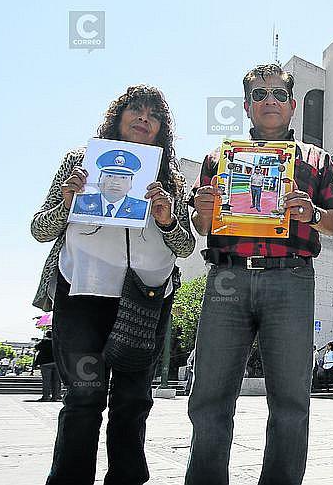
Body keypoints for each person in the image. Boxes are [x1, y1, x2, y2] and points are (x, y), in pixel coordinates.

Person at [186, 63, 333, 485]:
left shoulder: (317, 160)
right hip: (227, 278)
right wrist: (203, 214)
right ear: (247, 106)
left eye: (278, 93)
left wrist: (314, 214)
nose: (270, 101)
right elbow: (203, 228)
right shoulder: (218, 159)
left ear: (293, 105)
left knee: (291, 400)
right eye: (259, 95)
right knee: (209, 397)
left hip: (290, 278)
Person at [31, 84, 195, 485]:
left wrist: (166, 219)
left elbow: (186, 246)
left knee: (133, 398)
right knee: (84, 394)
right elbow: (39, 229)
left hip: (146, 295)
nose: (143, 119)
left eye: (153, 115)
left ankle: (127, 477)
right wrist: (66, 201)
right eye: (135, 111)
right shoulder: (79, 162)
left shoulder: (170, 178)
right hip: (83, 290)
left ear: (161, 129)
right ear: (117, 118)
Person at [71, 149, 149, 219]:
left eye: (123, 178)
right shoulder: (80, 202)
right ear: (99, 179)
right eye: (109, 176)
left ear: (131, 184)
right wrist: (68, 206)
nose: (115, 182)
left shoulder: (143, 208)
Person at [34, 330, 61, 401]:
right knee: (56, 381)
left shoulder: (44, 342)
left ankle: (46, 396)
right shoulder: (57, 342)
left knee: (46, 381)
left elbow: (36, 347)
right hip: (57, 363)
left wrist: (43, 340)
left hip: (45, 364)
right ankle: (55, 396)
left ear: (46, 335)